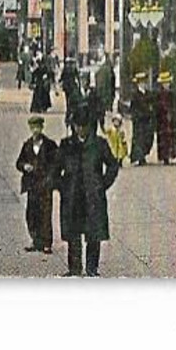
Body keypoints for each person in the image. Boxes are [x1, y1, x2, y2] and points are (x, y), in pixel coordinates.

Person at [56, 107, 121, 276]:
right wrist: (63, 187)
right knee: (73, 234)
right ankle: (74, 269)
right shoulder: (66, 145)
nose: (80, 129)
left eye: (83, 126)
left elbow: (113, 165)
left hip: (93, 196)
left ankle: (92, 269)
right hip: (73, 196)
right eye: (77, 126)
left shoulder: (99, 144)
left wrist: (103, 184)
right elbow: (54, 170)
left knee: (94, 234)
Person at [15, 116, 59, 253]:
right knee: (32, 213)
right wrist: (25, 166)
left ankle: (46, 242)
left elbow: (56, 164)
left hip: (45, 184)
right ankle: (36, 240)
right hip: (32, 185)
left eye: (38, 127)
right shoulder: (27, 145)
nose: (35, 130)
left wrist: (50, 178)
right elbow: (19, 163)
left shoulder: (50, 145)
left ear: (42, 128)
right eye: (33, 127)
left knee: (45, 213)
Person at [127, 74, 156, 165]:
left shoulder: (149, 94)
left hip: (147, 120)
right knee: (139, 139)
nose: (143, 84)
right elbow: (132, 108)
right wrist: (136, 116)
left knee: (148, 138)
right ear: (138, 84)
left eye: (144, 83)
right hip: (139, 121)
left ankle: (144, 154)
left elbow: (152, 105)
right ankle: (140, 158)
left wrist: (151, 113)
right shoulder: (135, 95)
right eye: (141, 83)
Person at [156, 76, 176, 164]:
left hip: (171, 120)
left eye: (168, 83)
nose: (167, 85)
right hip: (163, 120)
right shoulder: (159, 94)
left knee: (171, 138)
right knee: (163, 138)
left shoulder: (172, 94)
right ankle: (164, 156)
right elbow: (158, 106)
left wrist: (173, 113)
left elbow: (175, 105)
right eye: (165, 83)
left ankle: (171, 155)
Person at [93, 53, 116, 118]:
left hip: (102, 92)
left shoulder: (101, 69)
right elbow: (111, 82)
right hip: (107, 92)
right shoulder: (108, 70)